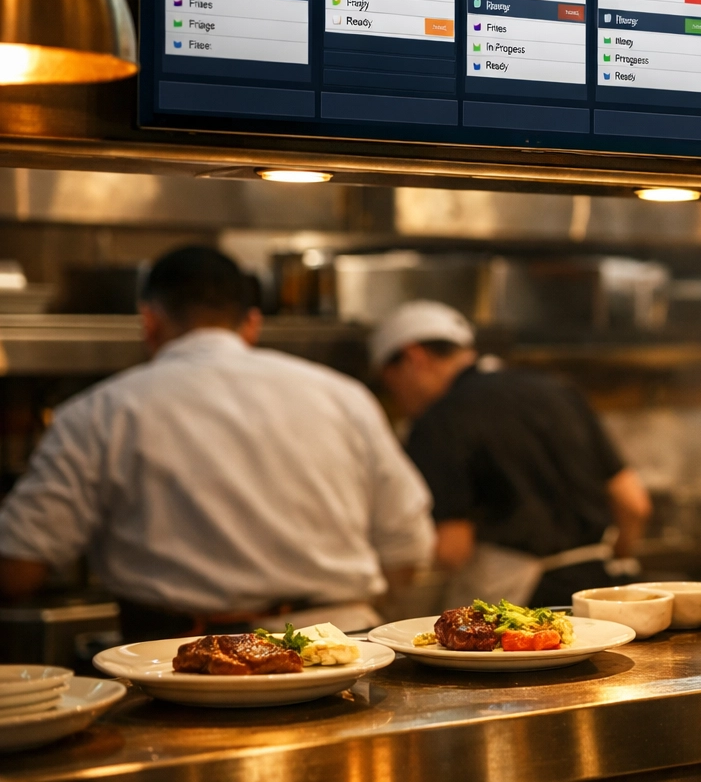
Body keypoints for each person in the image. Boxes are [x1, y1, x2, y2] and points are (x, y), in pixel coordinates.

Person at [0, 246, 435, 640]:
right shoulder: (344, 395)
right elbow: (409, 546)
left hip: (185, 660)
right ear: (252, 323)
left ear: (149, 321)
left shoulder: (97, 411)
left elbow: (18, 566)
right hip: (339, 646)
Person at [371, 301, 652, 608]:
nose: (397, 399)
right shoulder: (557, 390)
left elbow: (453, 549)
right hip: (601, 593)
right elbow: (633, 503)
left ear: (414, 358)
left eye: (390, 384)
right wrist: (620, 558)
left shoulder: (437, 421)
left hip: (521, 607)